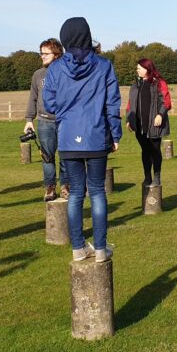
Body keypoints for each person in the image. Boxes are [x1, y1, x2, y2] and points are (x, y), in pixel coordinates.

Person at [44, 17, 122, 263]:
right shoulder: (104, 65)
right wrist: (116, 134)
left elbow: (50, 103)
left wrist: (68, 112)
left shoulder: (55, 69)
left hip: (68, 137)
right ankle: (100, 249)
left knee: (76, 193)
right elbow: (112, 103)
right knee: (97, 192)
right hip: (97, 135)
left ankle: (78, 247)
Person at [23, 38, 69, 201]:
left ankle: (66, 187)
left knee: (66, 155)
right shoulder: (38, 75)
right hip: (44, 122)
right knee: (47, 157)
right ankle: (50, 188)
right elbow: (32, 98)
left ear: (56, 54)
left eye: (45, 53)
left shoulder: (67, 72)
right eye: (40, 53)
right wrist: (29, 119)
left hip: (65, 121)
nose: (42, 56)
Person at [125, 58, 172, 187]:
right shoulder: (135, 85)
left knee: (155, 150)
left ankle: (157, 177)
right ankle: (147, 177)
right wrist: (129, 119)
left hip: (154, 124)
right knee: (145, 151)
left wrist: (160, 114)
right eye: (137, 68)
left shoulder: (159, 83)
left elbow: (166, 101)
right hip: (140, 125)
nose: (137, 70)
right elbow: (130, 105)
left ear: (147, 69)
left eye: (139, 68)